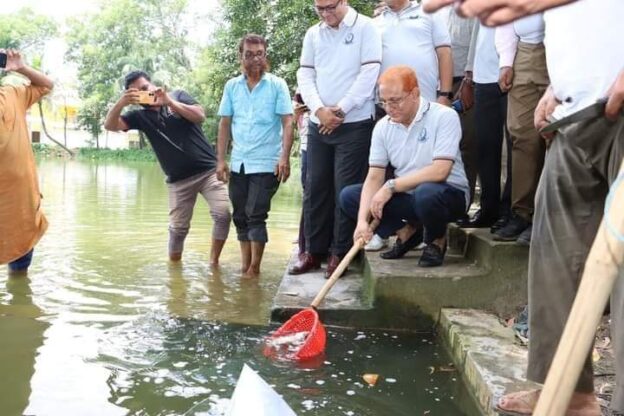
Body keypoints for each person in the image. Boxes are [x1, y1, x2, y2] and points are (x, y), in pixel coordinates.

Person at [340, 65, 469, 267]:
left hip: (448, 195)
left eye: (395, 101)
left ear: (415, 94)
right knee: (350, 197)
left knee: (426, 194)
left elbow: (440, 171)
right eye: (384, 102)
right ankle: (407, 232)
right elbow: (374, 177)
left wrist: (391, 186)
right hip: (410, 197)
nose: (389, 108)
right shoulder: (383, 127)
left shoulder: (444, 116)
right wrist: (362, 222)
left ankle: (437, 240)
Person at [290, 0, 382, 278]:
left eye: (331, 7)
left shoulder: (366, 28)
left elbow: (369, 74)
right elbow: (305, 74)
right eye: (320, 9)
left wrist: (340, 109)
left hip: (353, 123)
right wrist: (319, 109)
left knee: (346, 190)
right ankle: (313, 251)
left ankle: (339, 252)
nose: (326, 14)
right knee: (315, 187)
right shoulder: (313, 34)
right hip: (319, 123)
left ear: (344, 1)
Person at [104, 70, 231, 266]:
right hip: (179, 181)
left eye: (145, 88)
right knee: (178, 230)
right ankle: (174, 271)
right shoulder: (138, 116)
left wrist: (170, 103)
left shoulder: (178, 96)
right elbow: (110, 126)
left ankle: (213, 263)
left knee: (223, 215)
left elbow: (200, 116)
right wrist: (120, 103)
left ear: (153, 85)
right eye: (137, 93)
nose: (145, 93)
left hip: (208, 171)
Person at [217, 34, 293, 278]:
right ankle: (245, 265)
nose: (255, 59)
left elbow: (288, 122)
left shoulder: (277, 85)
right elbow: (224, 124)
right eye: (249, 54)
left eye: (259, 53)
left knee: (255, 214)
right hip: (239, 162)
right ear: (241, 57)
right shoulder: (232, 86)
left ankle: (255, 269)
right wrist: (220, 160)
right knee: (240, 215)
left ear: (265, 55)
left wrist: (284, 157)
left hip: (267, 162)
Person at [492, 14, 548, 245]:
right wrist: (506, 62)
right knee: (522, 136)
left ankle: (545, 216)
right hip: (524, 52)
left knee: (557, 135)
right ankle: (522, 213)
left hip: (558, 49)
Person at [0, 49, 54, 274]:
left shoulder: (12, 93)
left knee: (20, 272)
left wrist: (20, 67)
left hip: (19, 205)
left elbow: (47, 85)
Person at [374, 0, 453, 105]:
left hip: (425, 99)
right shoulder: (375, 22)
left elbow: (444, 53)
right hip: (387, 104)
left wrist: (445, 95)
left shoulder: (429, 13)